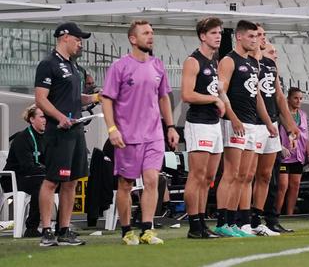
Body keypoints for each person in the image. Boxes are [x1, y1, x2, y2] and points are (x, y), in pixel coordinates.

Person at [102, 20, 180, 245]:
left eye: (152, 33)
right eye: (146, 33)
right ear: (133, 39)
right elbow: (106, 99)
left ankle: (147, 229)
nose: (151, 36)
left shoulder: (158, 65)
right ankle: (127, 231)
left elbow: (164, 97)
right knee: (125, 185)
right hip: (127, 136)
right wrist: (112, 129)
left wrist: (171, 126)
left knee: (152, 179)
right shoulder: (120, 67)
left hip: (154, 134)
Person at [35, 21, 99, 247]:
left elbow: (76, 98)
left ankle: (64, 229)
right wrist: (60, 117)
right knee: (52, 180)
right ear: (65, 38)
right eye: (78, 39)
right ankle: (46, 230)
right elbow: (41, 99)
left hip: (76, 130)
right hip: (58, 132)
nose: (80, 43)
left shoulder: (73, 67)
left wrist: (95, 98)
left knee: (72, 181)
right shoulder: (48, 64)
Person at [240, 26, 299, 236]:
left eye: (263, 35)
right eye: (258, 34)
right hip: (253, 123)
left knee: (266, 175)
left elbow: (279, 97)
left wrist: (291, 126)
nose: (261, 38)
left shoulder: (270, 65)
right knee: (247, 175)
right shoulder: (246, 63)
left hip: (271, 124)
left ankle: (258, 219)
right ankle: (242, 219)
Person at [212, 20, 268, 238]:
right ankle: (221, 221)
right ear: (239, 37)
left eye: (257, 36)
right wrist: (233, 117)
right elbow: (220, 91)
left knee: (244, 175)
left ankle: (233, 221)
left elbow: (256, 96)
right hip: (235, 122)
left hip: (252, 123)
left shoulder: (254, 63)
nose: (255, 40)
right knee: (231, 173)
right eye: (251, 36)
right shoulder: (228, 60)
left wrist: (267, 122)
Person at [180, 17, 227, 239]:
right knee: (196, 176)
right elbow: (187, 94)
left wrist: (222, 100)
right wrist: (213, 99)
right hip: (198, 123)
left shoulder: (214, 61)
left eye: (219, 32)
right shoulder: (193, 61)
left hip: (214, 124)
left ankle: (201, 222)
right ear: (202, 36)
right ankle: (194, 225)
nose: (218, 36)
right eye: (213, 33)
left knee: (209, 177)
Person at [1, 105, 47, 237]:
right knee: (42, 184)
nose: (45, 120)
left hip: (36, 176)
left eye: (46, 117)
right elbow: (27, 166)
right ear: (32, 119)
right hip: (15, 179)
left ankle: (61, 227)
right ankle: (31, 228)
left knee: (62, 181)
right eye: (42, 116)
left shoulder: (46, 137)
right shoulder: (22, 138)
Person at [275, 87, 309, 220]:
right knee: (283, 185)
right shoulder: (281, 115)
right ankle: (276, 213)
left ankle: (290, 214)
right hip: (285, 156)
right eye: (296, 98)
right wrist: (280, 147)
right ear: (288, 99)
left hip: (298, 155)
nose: (298, 101)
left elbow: (306, 136)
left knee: (295, 185)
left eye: (301, 98)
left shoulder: (303, 115)